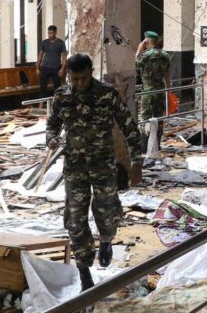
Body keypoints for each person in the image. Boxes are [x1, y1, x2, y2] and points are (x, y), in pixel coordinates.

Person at [46, 53, 142, 290]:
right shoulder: (61, 96)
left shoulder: (107, 94)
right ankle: (84, 271)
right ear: (69, 75)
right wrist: (51, 138)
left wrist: (136, 162)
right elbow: (52, 124)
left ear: (91, 73)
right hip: (74, 167)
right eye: (75, 79)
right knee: (75, 218)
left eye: (84, 78)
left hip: (103, 165)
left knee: (106, 210)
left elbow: (129, 126)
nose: (79, 83)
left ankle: (106, 240)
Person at [135, 31, 172, 145]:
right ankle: (157, 145)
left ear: (146, 41)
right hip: (161, 90)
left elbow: (136, 64)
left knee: (145, 118)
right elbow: (167, 75)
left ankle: (145, 146)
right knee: (158, 118)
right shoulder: (165, 55)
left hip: (148, 91)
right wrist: (168, 91)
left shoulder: (146, 55)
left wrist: (139, 49)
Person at [37, 25, 67, 98]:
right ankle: (41, 104)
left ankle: (58, 103)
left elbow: (64, 57)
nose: (50, 35)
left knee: (57, 88)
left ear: (55, 32)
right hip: (45, 67)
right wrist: (37, 68)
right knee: (42, 87)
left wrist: (62, 69)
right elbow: (40, 55)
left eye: (52, 33)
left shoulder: (61, 43)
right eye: (49, 33)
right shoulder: (44, 42)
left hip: (56, 68)